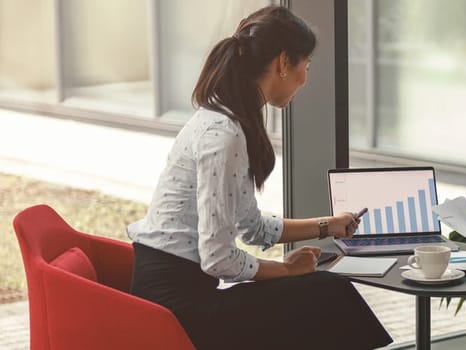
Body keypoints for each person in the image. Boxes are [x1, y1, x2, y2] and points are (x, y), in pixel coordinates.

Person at [126, 6, 391, 349]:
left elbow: (250, 226)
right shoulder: (223, 135)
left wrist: (330, 225)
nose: (305, 78)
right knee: (328, 292)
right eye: (305, 66)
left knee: (319, 296)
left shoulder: (229, 120)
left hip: (182, 290)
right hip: (177, 308)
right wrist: (285, 270)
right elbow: (218, 258)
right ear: (283, 63)